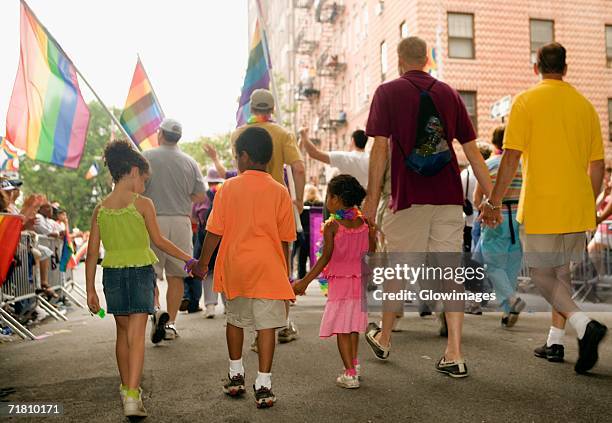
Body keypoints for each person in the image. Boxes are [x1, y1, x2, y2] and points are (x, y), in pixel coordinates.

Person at [362, 36, 493, 378]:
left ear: (399, 59)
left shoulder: (387, 92)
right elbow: (473, 152)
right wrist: (492, 199)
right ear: (427, 59)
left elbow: (379, 149)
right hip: (449, 197)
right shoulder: (449, 94)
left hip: (408, 198)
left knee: (398, 272)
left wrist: (371, 199)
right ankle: (455, 352)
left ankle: (386, 336)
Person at [480, 42, 607, 373]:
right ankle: (555, 341)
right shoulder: (586, 107)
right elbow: (598, 165)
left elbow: (510, 158)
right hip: (577, 205)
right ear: (565, 68)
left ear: (537, 67)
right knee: (560, 273)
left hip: (542, 204)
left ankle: (583, 325)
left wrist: (493, 200)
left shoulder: (526, 101)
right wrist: (590, 204)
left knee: (540, 275)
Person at [85, 140, 193, 417]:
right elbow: (160, 241)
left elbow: (92, 253)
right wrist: (189, 259)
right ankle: (133, 397)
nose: (145, 186)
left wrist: (90, 291)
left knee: (122, 334)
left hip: (112, 276)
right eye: (144, 179)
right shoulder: (142, 204)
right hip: (140, 273)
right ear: (134, 171)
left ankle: (126, 388)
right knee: (136, 336)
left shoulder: (100, 209)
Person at [190, 127, 296, 408]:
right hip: (270, 269)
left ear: (245, 157)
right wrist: (285, 275)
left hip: (236, 266)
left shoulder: (228, 189)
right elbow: (286, 239)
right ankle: (264, 384)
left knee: (235, 320)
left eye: (236, 156)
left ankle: (235, 375)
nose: (236, 161)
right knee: (267, 328)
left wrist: (202, 263)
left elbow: (214, 231)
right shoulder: (280, 191)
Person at [230, 89, 306, 344]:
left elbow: (238, 169)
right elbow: (298, 167)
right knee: (280, 265)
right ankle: (280, 323)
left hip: (245, 207)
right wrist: (299, 200)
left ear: (251, 109)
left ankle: (251, 324)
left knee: (249, 261)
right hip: (277, 202)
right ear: (272, 109)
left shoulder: (239, 134)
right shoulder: (283, 134)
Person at [293, 175, 375, 389]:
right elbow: (372, 253)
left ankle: (349, 374)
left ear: (337, 199)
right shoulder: (365, 223)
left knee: (342, 328)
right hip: (359, 282)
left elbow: (324, 258)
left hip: (340, 284)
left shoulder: (332, 226)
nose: (327, 200)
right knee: (354, 327)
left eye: (329, 195)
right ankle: (355, 365)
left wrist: (304, 281)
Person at [142, 118, 207, 341]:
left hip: (153, 219)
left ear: (160, 134)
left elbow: (138, 187)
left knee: (149, 272)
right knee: (177, 275)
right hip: (181, 221)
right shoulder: (189, 161)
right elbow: (201, 195)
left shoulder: (147, 157)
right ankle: (170, 324)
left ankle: (157, 309)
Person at [473, 126, 525, 327]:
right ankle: (507, 312)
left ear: (495, 143)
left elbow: (478, 198)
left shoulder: (490, 164)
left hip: (495, 218)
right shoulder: (521, 166)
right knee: (511, 265)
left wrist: (482, 209)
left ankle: (512, 300)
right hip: (517, 218)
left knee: (492, 264)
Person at [181, 167, 226, 318]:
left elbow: (193, 218)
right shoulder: (225, 194)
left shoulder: (202, 198)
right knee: (225, 272)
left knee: (208, 273)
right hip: (224, 238)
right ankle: (228, 306)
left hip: (205, 236)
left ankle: (210, 306)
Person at [299, 127, 370, 188]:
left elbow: (314, 153)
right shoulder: (371, 160)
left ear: (352, 141)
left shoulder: (344, 157)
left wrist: (303, 135)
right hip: (367, 200)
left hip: (348, 201)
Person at [293, 185, 324, 279]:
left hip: (304, 235)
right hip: (316, 236)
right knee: (316, 259)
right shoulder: (321, 205)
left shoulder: (304, 205)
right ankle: (318, 277)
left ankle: (301, 279)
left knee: (302, 259)